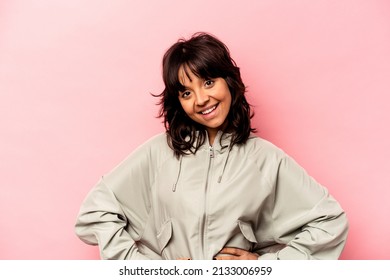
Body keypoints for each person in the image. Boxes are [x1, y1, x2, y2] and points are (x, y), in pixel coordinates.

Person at [75, 32, 349, 260]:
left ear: (229, 82)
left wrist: (268, 266)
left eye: (208, 82)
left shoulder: (265, 159)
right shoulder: (158, 153)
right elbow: (93, 214)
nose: (201, 99)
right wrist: (147, 269)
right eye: (186, 92)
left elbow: (330, 223)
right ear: (178, 102)